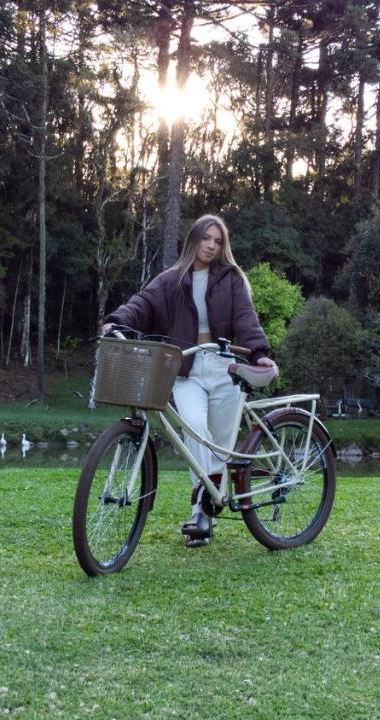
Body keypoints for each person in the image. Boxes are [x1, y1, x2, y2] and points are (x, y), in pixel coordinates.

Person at [101, 214, 277, 548]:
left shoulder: (231, 279)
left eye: (218, 240)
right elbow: (141, 303)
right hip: (185, 370)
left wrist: (257, 352)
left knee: (220, 445)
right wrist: (115, 322)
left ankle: (203, 517)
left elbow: (245, 318)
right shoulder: (170, 280)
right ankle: (204, 505)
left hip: (225, 368)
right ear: (193, 239)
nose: (211, 245)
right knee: (195, 430)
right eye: (206, 238)